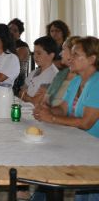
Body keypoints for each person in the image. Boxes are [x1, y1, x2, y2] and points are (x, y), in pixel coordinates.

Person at [34, 36, 99, 201]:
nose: (70, 58)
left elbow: (86, 123)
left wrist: (52, 119)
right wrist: (47, 111)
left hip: (94, 150)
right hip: (80, 143)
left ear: (92, 59)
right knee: (46, 161)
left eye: (76, 55)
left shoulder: (97, 83)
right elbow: (63, 108)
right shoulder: (77, 80)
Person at [18, 36, 59, 105]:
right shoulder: (34, 73)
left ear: (51, 55)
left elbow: (37, 102)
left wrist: (26, 96)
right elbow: (20, 93)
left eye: (39, 53)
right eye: (34, 53)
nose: (35, 56)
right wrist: (29, 97)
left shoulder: (53, 75)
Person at [42, 36, 80, 107]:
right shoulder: (61, 74)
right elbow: (45, 99)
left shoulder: (83, 77)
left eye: (63, 49)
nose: (60, 53)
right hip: (52, 113)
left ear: (73, 52)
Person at [8, 18, 31, 94]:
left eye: (15, 31)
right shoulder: (6, 44)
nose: (11, 32)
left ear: (19, 33)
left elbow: (13, 62)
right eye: (9, 29)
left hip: (18, 80)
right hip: (7, 76)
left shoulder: (23, 46)